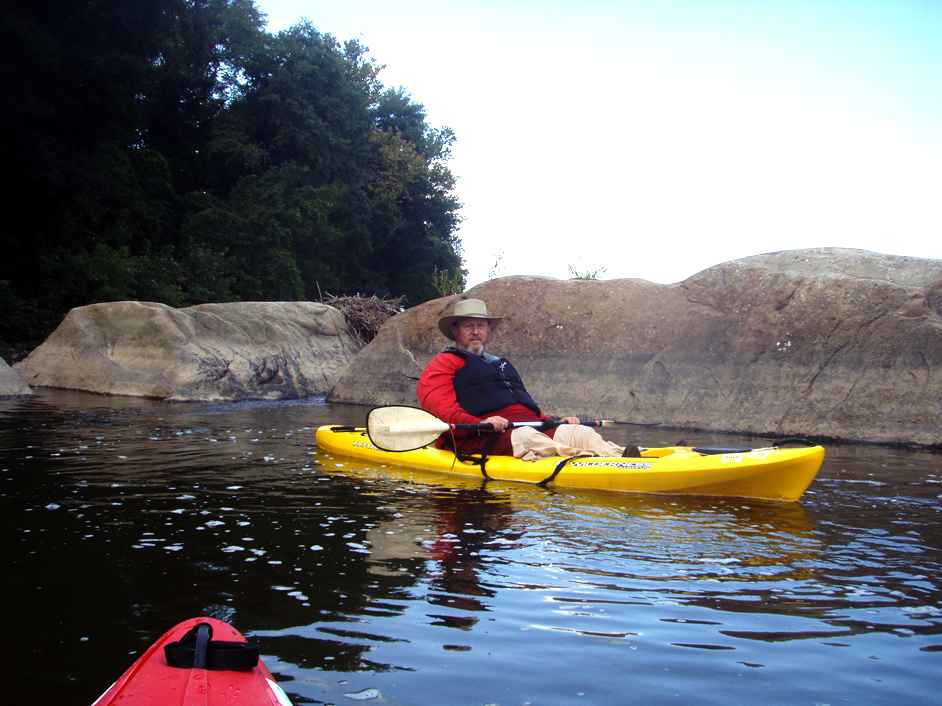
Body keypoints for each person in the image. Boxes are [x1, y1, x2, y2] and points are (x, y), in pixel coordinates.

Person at [417, 297, 628, 459]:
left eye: (480, 326)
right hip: (481, 436)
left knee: (580, 432)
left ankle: (622, 459)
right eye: (468, 326)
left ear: (488, 330)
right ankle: (586, 460)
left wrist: (553, 421)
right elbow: (440, 410)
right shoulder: (443, 363)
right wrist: (481, 423)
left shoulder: (501, 364)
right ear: (455, 331)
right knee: (528, 437)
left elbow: (524, 406)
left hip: (530, 428)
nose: (475, 331)